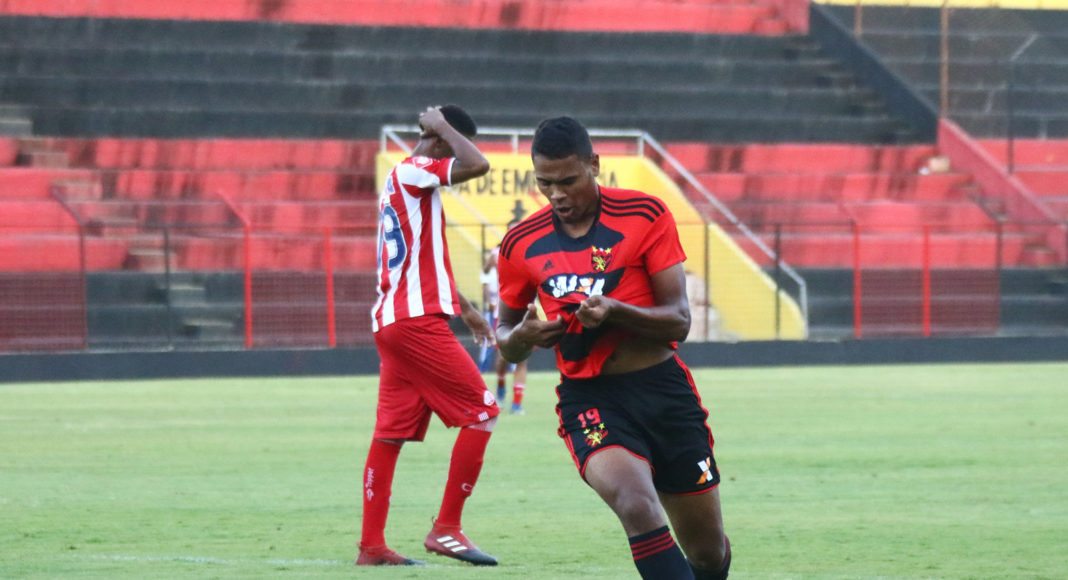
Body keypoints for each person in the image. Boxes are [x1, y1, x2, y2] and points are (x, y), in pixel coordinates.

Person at [494, 116, 731, 580]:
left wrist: (615, 311)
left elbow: (679, 321)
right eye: (544, 184)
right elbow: (505, 334)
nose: (556, 194)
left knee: (707, 552)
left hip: (663, 391)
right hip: (590, 398)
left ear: (594, 165)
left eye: (568, 181)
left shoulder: (645, 214)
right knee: (635, 503)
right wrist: (521, 338)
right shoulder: (520, 242)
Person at [358, 105, 499, 567]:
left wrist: (468, 311)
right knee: (482, 412)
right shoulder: (417, 169)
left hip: (393, 321)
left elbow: (424, 264)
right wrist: (441, 127)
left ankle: (372, 546)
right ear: (440, 140)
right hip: (415, 322)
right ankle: (447, 529)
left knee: (389, 435)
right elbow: (479, 164)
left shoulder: (399, 179)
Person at [480, 218, 529, 414]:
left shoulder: (531, 252)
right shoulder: (498, 253)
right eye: (511, 230)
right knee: (503, 357)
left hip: (525, 311)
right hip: (503, 312)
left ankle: (517, 403)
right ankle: (501, 385)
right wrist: (489, 263)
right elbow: (485, 273)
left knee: (523, 357)